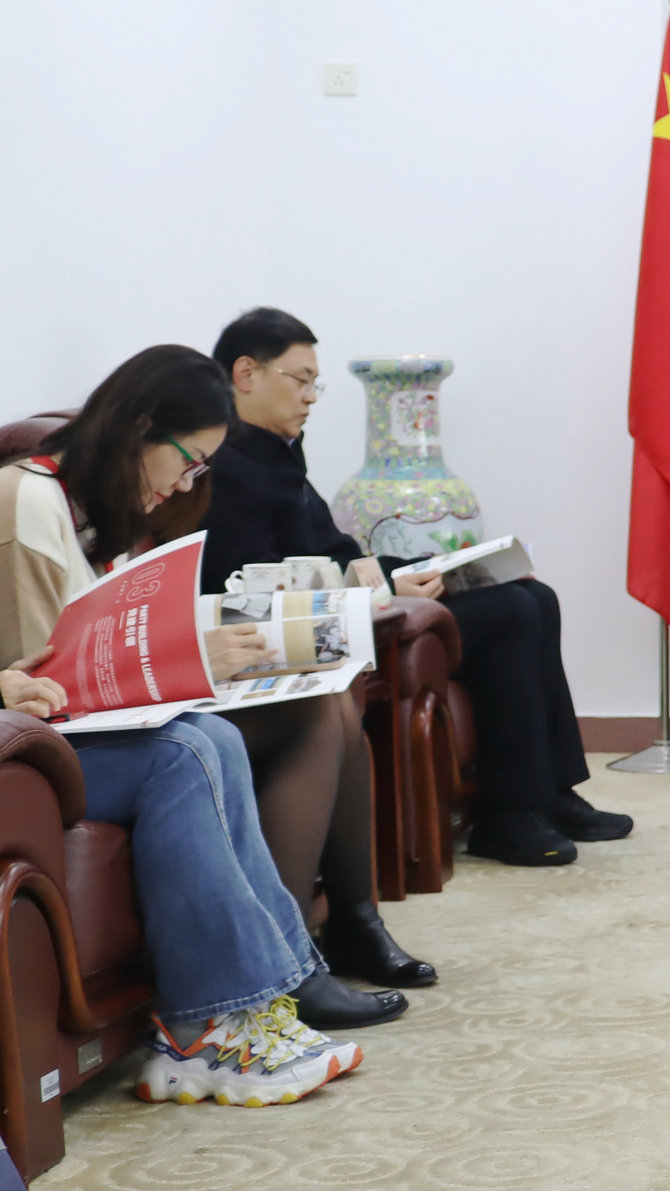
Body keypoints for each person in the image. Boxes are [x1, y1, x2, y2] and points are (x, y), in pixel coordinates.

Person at [0, 346, 362, 1105]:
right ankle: (206, 1028)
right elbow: (49, 680)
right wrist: (186, 661)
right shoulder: (25, 501)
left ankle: (258, 1004)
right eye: (189, 462)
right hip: (28, 747)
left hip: (57, 731)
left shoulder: (83, 504)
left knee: (212, 737)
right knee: (185, 751)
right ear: (139, 428)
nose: (185, 484)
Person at [200, 308, 624, 870]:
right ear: (246, 374)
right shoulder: (222, 466)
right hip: (318, 626)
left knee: (534, 595)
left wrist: (409, 571)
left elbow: (336, 552)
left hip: (355, 599)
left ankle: (552, 792)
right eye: (300, 380)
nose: (310, 397)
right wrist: (385, 588)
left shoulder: (275, 453)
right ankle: (508, 815)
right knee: (510, 611)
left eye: (314, 384)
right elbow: (261, 581)